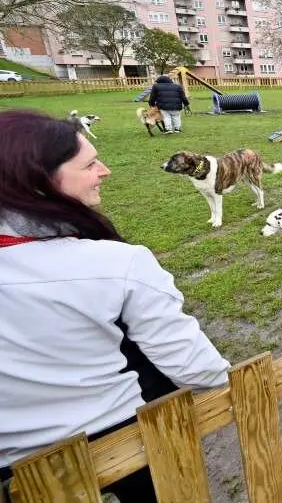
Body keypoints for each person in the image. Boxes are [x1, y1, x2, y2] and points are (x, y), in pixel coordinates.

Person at [0, 111, 230, 502]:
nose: (104, 171)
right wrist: (232, 388)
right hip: (120, 436)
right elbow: (191, 364)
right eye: (89, 164)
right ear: (39, 182)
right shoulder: (116, 264)